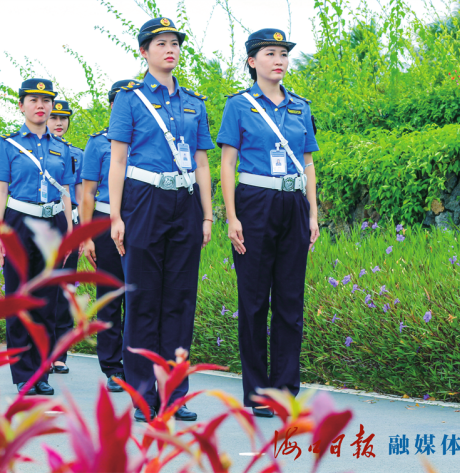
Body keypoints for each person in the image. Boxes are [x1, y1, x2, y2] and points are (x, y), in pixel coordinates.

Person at [108, 18, 215, 422]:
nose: (169, 49)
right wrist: (116, 214)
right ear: (144, 51)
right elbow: (118, 160)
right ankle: (142, 395)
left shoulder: (194, 102)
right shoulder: (130, 99)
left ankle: (173, 393)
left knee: (180, 301)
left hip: (185, 202)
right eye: (161, 43)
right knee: (143, 299)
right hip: (144, 201)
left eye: (174, 43)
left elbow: (203, 162)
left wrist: (207, 214)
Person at [217, 29, 320, 417]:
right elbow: (228, 161)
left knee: (291, 301)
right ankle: (258, 391)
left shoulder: (300, 107)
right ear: (252, 61)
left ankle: (285, 389)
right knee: (255, 300)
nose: (279, 60)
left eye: (283, 54)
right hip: (254, 203)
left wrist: (312, 212)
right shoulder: (239, 106)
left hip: (293, 202)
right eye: (270, 53)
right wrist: (231, 215)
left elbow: (309, 162)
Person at [0, 79, 75, 396]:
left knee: (47, 302)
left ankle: (41, 372)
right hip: (18, 222)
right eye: (34, 100)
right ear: (21, 105)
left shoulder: (61, 148)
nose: (41, 105)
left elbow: (66, 193)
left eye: (46, 100)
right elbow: (0, 191)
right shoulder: (8, 145)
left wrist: (69, 230)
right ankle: (22, 374)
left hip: (52, 222)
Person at [80, 79, 135, 392]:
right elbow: (87, 192)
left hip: (140, 219)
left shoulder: (146, 142)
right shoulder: (99, 143)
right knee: (111, 296)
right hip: (103, 221)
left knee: (138, 295)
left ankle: (135, 362)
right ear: (112, 107)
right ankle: (113, 366)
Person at [47, 99, 83, 374]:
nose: (59, 123)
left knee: (64, 290)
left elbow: (81, 195)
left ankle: (60, 352)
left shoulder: (76, 154)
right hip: (41, 226)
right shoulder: (33, 151)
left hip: (69, 225)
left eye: (63, 118)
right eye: (54, 118)